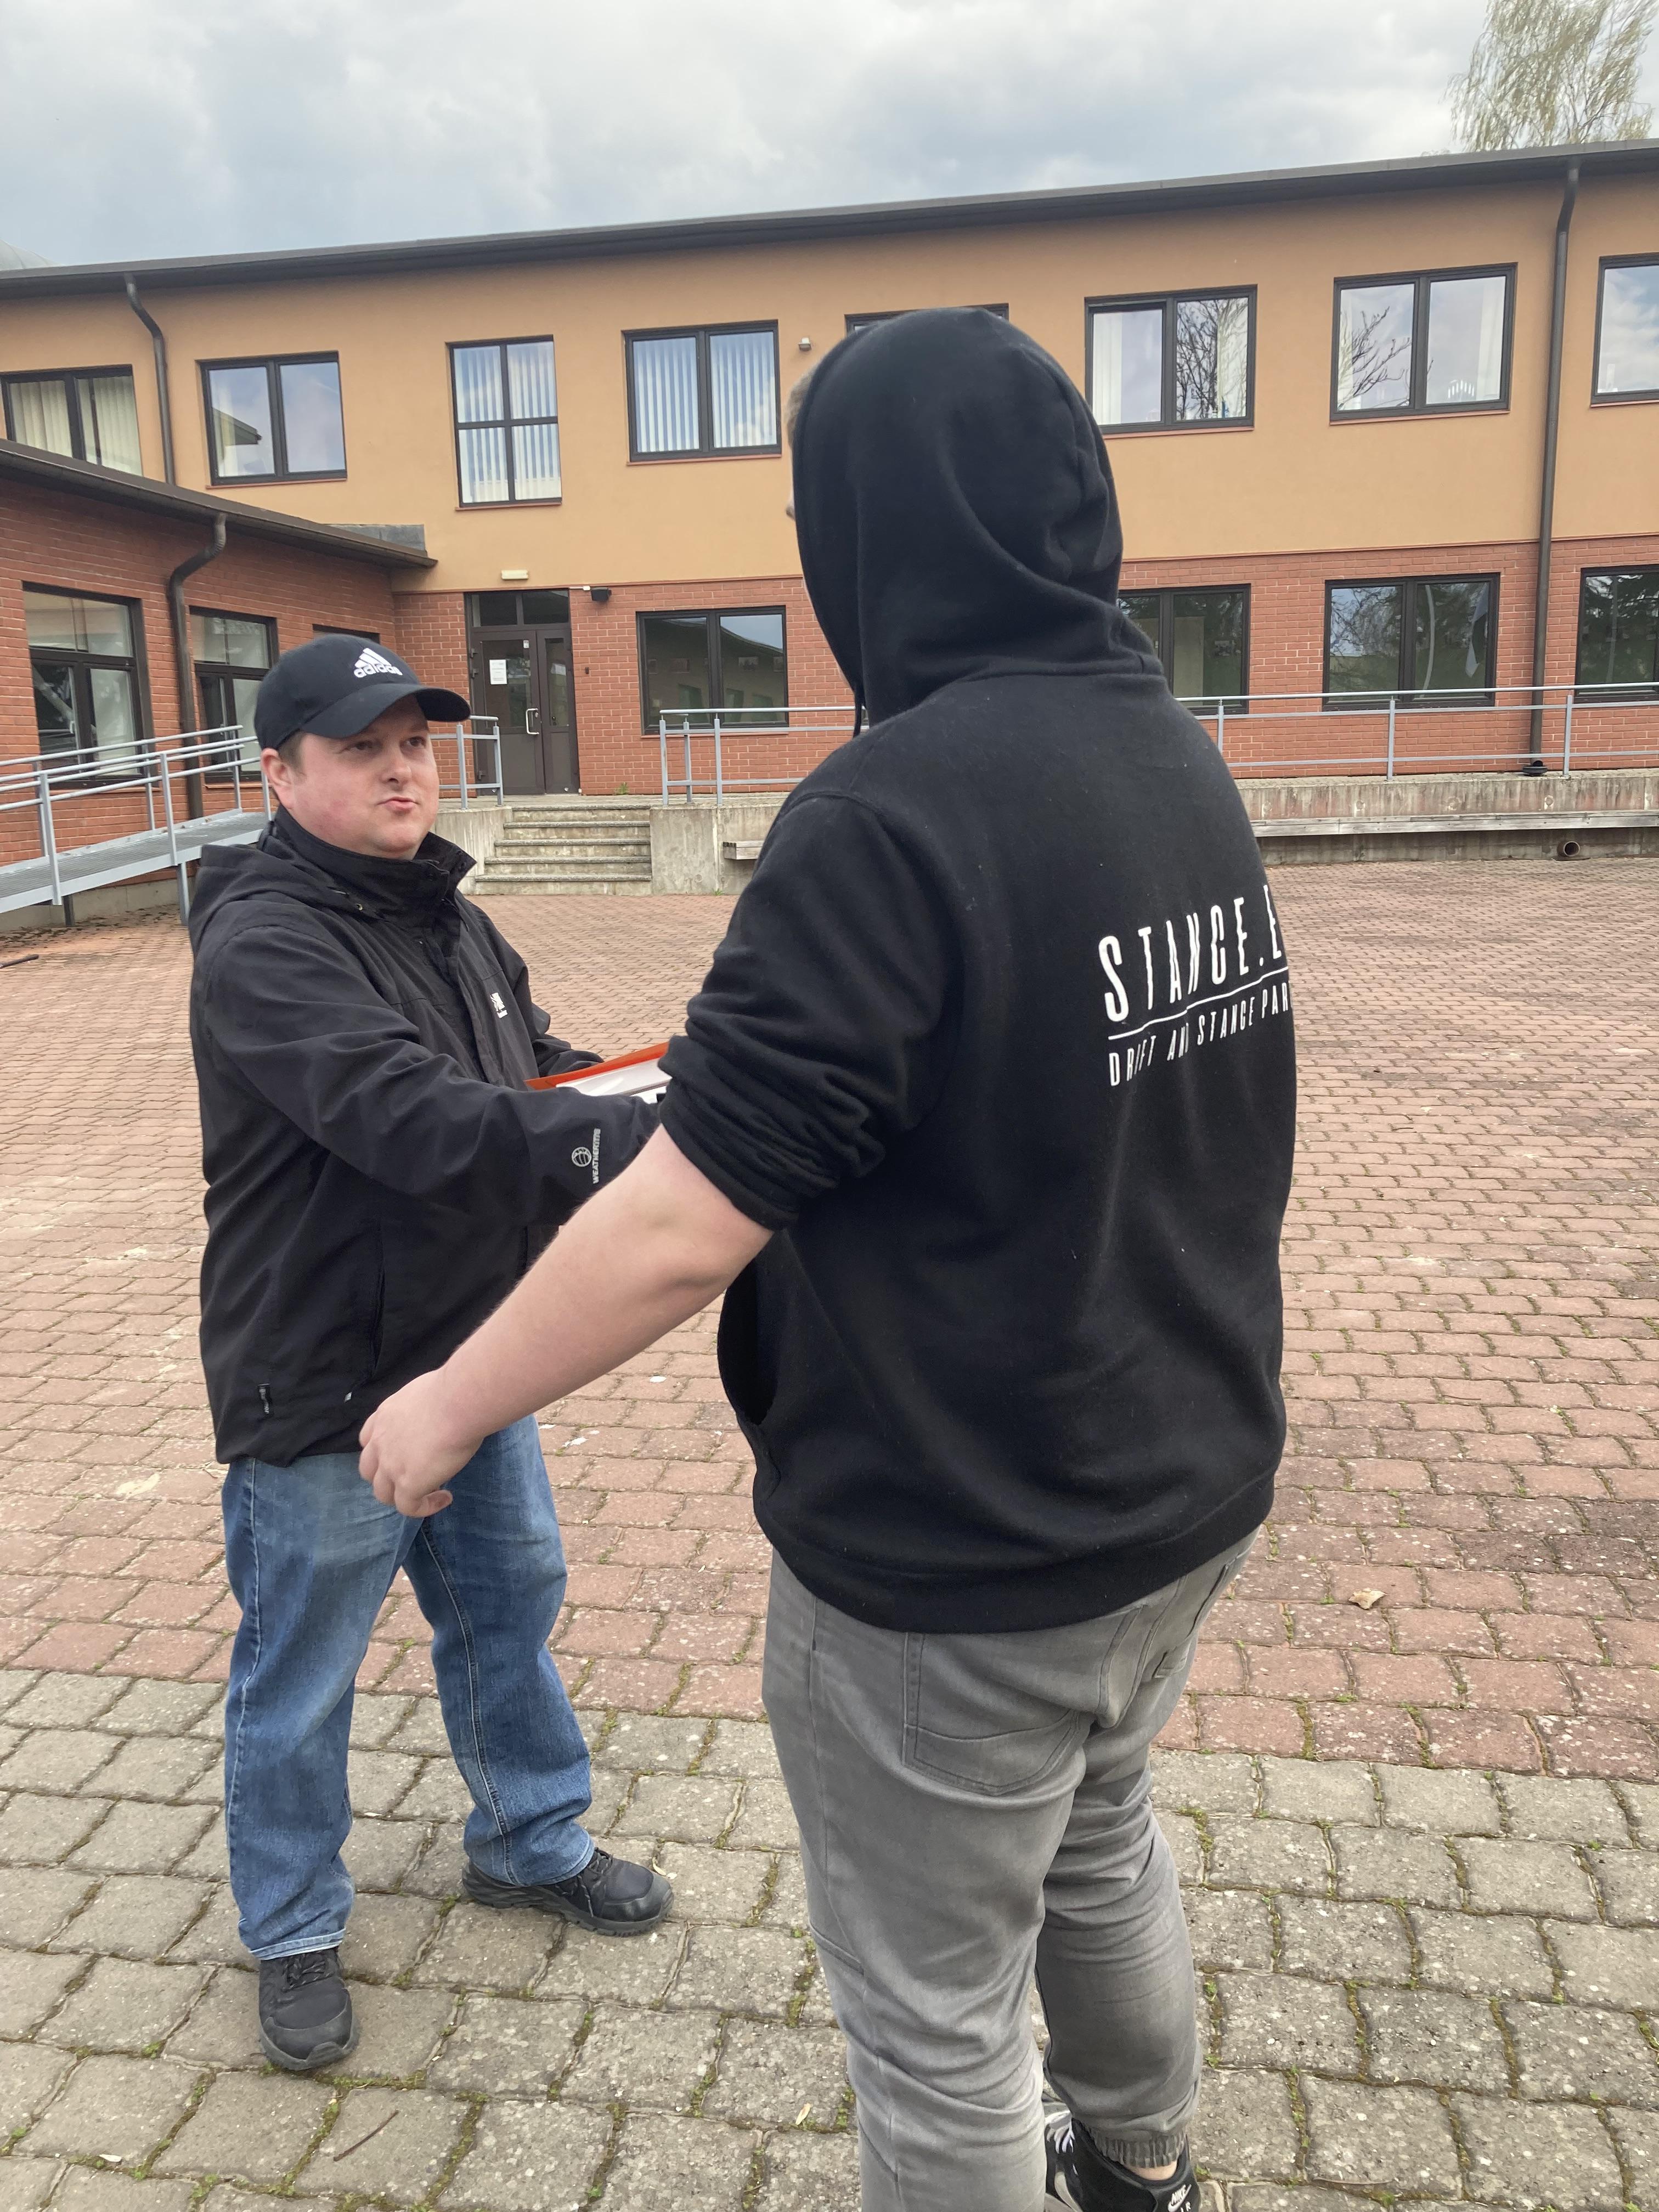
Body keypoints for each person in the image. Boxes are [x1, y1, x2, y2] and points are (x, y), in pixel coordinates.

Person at [359, 312, 1296, 2212]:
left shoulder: (886, 813)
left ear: (863, 539)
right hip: (1175, 1486)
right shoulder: (1172, 757)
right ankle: (1143, 2167)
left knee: (935, 2020)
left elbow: (681, 1226)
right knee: (1099, 1831)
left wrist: (445, 1403)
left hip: (958, 1547)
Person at [187, 634, 671, 2075]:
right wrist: (649, 1139)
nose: (404, 770)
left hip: (472, 1360)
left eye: (416, 742)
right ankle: (290, 1925)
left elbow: (533, 1073)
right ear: (279, 775)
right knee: (302, 1673)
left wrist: (667, 1082)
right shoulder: (265, 943)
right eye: (363, 748)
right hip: (320, 1377)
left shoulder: (447, 914)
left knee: (509, 1605)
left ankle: (530, 1838)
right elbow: (418, 1124)